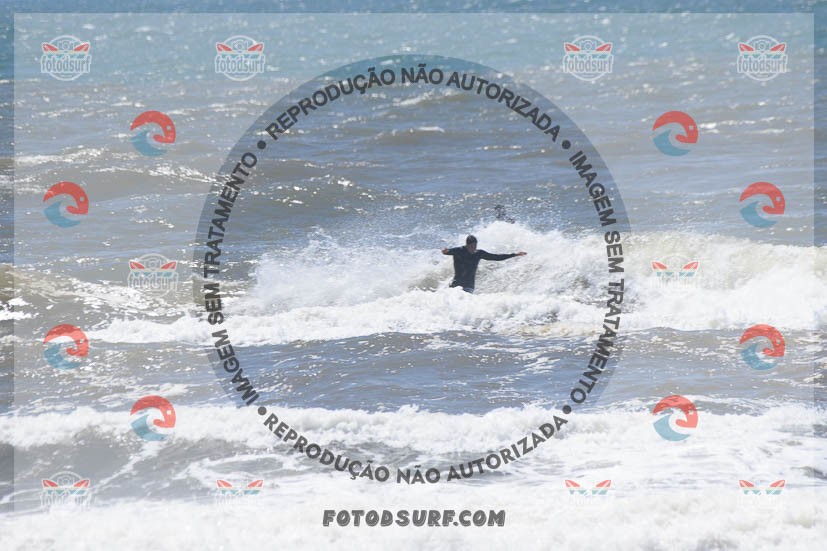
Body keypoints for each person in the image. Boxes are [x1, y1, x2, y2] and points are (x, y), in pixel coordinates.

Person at [441, 235, 526, 293]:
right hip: (456, 284)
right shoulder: (459, 251)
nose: (473, 249)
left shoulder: (479, 253)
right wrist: (445, 251)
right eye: (471, 246)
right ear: (467, 245)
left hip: (469, 285)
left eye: (475, 246)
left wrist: (514, 254)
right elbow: (447, 252)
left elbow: (496, 257)